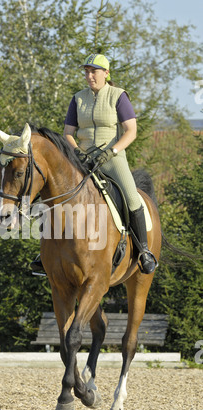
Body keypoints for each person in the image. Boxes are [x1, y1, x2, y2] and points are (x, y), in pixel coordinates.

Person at [31, 53, 157, 274]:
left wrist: (112, 152)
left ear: (106, 73)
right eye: (87, 72)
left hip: (112, 158)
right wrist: (78, 152)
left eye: (94, 71)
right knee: (54, 194)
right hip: (82, 159)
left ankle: (144, 250)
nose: (89, 76)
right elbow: (68, 133)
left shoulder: (118, 96)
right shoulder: (78, 98)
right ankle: (46, 254)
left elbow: (131, 131)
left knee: (131, 197)